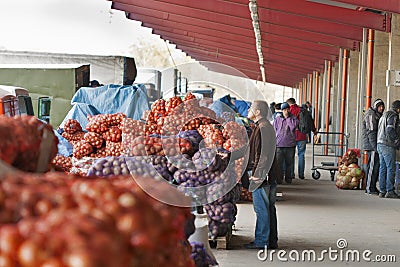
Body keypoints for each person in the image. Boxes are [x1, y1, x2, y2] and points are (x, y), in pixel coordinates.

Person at [243, 100, 279, 250]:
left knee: (261, 208)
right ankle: (270, 240)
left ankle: (262, 241)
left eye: (251, 108)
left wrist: (258, 174)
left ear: (257, 112)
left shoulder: (263, 128)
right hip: (268, 174)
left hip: (263, 175)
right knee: (269, 208)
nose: (248, 110)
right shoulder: (263, 126)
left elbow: (263, 154)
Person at [287, 98, 316, 179]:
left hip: (291, 136)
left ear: (288, 104)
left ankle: (291, 174)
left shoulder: (288, 111)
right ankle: (301, 174)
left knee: (291, 156)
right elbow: (310, 120)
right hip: (302, 135)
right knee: (301, 155)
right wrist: (314, 130)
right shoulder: (303, 110)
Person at [377, 100, 400, 199]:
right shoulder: (393, 115)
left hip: (380, 143)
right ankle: (390, 191)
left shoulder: (384, 115)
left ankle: (382, 191)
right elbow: (390, 129)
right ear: (398, 109)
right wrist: (396, 140)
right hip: (388, 144)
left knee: (383, 167)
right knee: (391, 168)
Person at [362, 99, 385, 195]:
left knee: (376, 167)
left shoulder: (376, 114)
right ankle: (369, 188)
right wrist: (375, 147)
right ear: (376, 107)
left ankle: (372, 187)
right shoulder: (370, 115)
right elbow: (371, 132)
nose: (381, 108)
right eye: (380, 107)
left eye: (382, 107)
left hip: (375, 145)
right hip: (372, 146)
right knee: (372, 167)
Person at [273, 102, 298, 184]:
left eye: (287, 109)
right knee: (278, 164)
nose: (286, 111)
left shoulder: (293, 119)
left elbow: (293, 127)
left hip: (290, 145)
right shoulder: (277, 119)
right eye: (284, 110)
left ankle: (288, 179)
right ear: (282, 110)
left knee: (289, 164)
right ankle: (279, 179)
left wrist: (288, 118)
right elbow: (274, 130)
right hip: (279, 145)